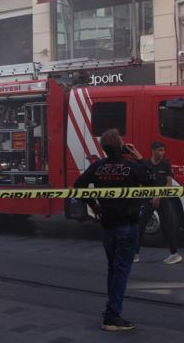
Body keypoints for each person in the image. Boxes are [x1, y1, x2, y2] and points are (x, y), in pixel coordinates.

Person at [73, 129, 152, 332]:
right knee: (121, 271)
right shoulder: (131, 166)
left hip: (107, 226)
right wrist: (140, 157)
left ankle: (112, 310)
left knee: (113, 269)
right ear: (120, 146)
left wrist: (93, 204)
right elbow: (151, 183)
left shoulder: (98, 166)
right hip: (127, 224)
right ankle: (112, 316)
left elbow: (78, 185)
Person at [135, 141, 182, 265]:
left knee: (167, 226)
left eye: (163, 150)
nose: (162, 153)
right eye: (160, 150)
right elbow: (141, 183)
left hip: (162, 199)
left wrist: (159, 196)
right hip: (148, 199)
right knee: (140, 225)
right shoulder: (146, 164)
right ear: (153, 150)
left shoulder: (166, 164)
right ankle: (135, 254)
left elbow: (169, 184)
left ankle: (174, 254)